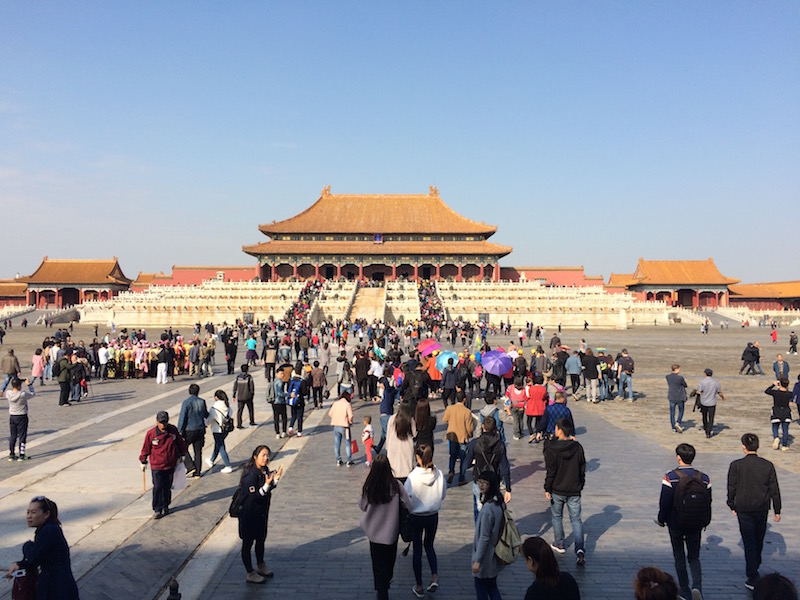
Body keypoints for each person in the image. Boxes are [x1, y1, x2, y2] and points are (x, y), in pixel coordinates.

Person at [727, 433, 782, 590]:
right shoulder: (767, 465)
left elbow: (732, 486)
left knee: (749, 540)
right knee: (758, 538)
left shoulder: (736, 465)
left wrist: (731, 503)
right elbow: (774, 489)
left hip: (743, 507)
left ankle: (752, 574)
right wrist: (777, 510)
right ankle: (754, 566)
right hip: (762, 507)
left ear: (744, 447)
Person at [656, 443, 710, 600]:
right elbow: (708, 501)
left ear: (678, 457)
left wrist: (661, 519)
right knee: (694, 557)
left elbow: (664, 502)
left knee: (679, 556)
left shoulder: (670, 477)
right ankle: (697, 587)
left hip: (676, 523)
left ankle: (684, 590)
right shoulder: (703, 478)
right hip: (696, 523)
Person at [359, 453, 413, 600]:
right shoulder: (396, 486)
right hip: (391, 533)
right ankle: (384, 585)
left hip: (374, 534)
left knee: (378, 565)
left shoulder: (370, 486)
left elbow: (362, 506)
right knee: (389, 564)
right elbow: (410, 505)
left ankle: (381, 589)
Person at [5, 496, 79, 599]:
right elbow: (38, 556)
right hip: (55, 585)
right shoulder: (47, 529)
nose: (29, 516)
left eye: (33, 512)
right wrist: (19, 564)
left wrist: (27, 546)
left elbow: (33, 558)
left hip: (57, 588)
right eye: (28, 512)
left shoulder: (49, 530)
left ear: (46, 514)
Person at [404, 444, 446, 598]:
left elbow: (406, 497)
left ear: (418, 458)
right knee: (429, 545)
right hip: (433, 515)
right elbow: (442, 494)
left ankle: (419, 585)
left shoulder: (412, 476)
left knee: (417, 550)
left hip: (416, 516)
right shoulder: (439, 474)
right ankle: (434, 575)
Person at [238, 445, 283, 583]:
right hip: (249, 514)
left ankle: (260, 564)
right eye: (263, 455)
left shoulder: (264, 470)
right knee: (248, 542)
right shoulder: (250, 475)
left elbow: (267, 490)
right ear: (255, 456)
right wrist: (267, 484)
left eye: (267, 455)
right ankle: (250, 572)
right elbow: (255, 496)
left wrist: (274, 480)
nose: (266, 458)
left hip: (261, 513)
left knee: (260, 539)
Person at [544, 418, 586, 565]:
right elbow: (582, 468)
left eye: (556, 428)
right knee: (576, 520)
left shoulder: (553, 448)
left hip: (558, 489)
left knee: (557, 517)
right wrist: (581, 484)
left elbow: (551, 471)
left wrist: (547, 487)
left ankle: (559, 543)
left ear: (560, 430)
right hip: (574, 489)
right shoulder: (578, 447)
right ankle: (580, 549)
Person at [139, 411, 186, 518]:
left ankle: (166, 505)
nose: (163, 425)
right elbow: (146, 448)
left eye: (165, 422)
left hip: (170, 464)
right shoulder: (151, 434)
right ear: (157, 422)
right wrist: (143, 460)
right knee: (158, 487)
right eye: (161, 422)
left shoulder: (172, 431)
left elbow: (180, 443)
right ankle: (157, 508)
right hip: (157, 466)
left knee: (167, 486)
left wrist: (183, 454)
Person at [464, 417, 512, 521]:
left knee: (478, 510)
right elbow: (505, 467)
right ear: (495, 427)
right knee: (494, 509)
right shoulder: (500, 444)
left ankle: (480, 531)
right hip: (494, 481)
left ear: (483, 427)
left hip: (479, 479)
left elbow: (466, 464)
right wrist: (508, 488)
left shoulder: (475, 443)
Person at [471, 470, 505, 600]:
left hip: (485, 556)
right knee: (492, 586)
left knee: (481, 589)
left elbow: (484, 537)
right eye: (480, 481)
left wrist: (477, 560)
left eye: (485, 483)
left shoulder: (487, 509)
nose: (481, 485)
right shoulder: (500, 503)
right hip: (494, 554)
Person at [442, 392, 474, 485]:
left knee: (452, 456)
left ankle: (451, 471)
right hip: (462, 437)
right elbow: (469, 427)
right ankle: (461, 478)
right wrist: (470, 435)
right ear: (464, 399)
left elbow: (444, 419)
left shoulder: (450, 408)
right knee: (463, 458)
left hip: (452, 436)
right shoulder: (467, 412)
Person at [177, 383, 209, 477]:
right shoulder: (202, 401)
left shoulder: (186, 402)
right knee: (198, 451)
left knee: (182, 449)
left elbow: (182, 418)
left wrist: (179, 431)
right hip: (200, 429)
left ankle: (190, 466)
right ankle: (197, 472)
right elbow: (205, 414)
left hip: (189, 430)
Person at [385, 402, 416, 481]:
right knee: (406, 469)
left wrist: (387, 447)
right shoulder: (410, 420)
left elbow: (388, 434)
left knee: (394, 470)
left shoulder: (392, 418)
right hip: (407, 447)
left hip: (393, 447)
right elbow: (414, 434)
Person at [5, 377, 34, 460]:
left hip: (12, 416)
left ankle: (11, 453)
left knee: (13, 436)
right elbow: (33, 394)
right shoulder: (23, 394)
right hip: (22, 415)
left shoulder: (8, 393)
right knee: (22, 436)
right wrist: (29, 385)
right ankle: (21, 454)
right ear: (19, 386)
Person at [205, 390, 234, 473]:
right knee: (218, 444)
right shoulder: (227, 405)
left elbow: (209, 420)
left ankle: (228, 465)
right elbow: (230, 412)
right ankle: (211, 460)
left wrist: (205, 422)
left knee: (221, 446)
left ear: (216, 397)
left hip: (217, 429)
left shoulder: (214, 408)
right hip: (226, 429)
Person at [766, 378, 793, 451]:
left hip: (777, 411)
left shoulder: (775, 393)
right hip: (786, 411)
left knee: (775, 426)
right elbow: (792, 396)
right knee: (785, 429)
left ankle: (776, 437)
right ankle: (784, 445)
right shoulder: (789, 394)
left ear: (780, 384)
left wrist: (773, 385)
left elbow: (767, 391)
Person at [329, 391, 354, 466]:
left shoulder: (335, 403)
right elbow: (351, 416)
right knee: (347, 443)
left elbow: (330, 413)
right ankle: (349, 460)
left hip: (336, 425)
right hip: (344, 426)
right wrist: (350, 421)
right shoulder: (347, 404)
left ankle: (338, 460)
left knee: (337, 443)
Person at [666, 364, 688, 433]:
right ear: (676, 369)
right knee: (681, 410)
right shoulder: (680, 378)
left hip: (672, 396)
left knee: (672, 412)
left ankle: (673, 427)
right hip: (679, 396)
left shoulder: (668, 377)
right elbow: (685, 385)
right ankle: (678, 422)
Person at [233, 364, 256, 429]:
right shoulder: (249, 377)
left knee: (240, 411)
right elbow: (251, 386)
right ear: (247, 369)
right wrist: (252, 394)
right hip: (248, 396)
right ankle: (252, 421)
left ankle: (239, 424)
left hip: (240, 397)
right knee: (250, 409)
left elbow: (235, 386)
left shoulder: (238, 377)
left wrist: (234, 394)